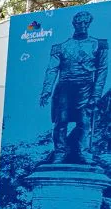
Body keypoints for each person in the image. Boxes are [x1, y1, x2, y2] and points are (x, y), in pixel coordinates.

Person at [40, 10, 107, 164]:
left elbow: (102, 71)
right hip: (64, 88)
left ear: (89, 23)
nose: (82, 25)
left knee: (84, 121)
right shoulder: (61, 47)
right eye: (79, 22)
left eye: (85, 22)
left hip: (86, 88)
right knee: (61, 121)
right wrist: (46, 90)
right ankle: (60, 152)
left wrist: (96, 94)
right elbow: (52, 69)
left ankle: (84, 152)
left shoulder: (99, 44)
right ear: (74, 24)